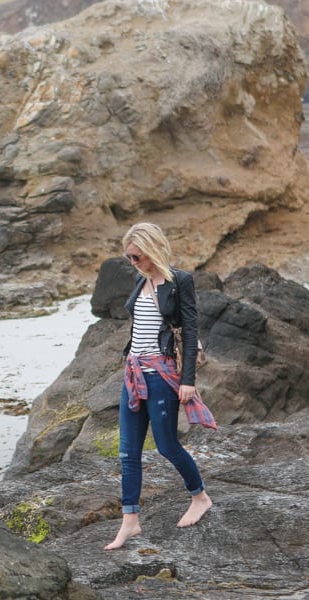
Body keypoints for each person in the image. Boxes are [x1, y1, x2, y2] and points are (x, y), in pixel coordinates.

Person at [104, 222, 216, 551]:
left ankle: (200, 497)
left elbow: (191, 331)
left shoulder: (178, 282)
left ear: (151, 250)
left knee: (166, 446)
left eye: (137, 256)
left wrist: (188, 381)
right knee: (128, 453)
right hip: (133, 373)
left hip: (161, 374)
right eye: (129, 257)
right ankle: (130, 522)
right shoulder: (140, 280)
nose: (133, 262)